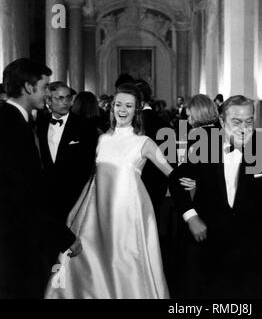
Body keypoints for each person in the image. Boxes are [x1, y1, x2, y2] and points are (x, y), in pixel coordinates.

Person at [169, 95, 262, 298]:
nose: (243, 128)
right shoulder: (205, 145)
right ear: (221, 120)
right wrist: (191, 216)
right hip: (213, 240)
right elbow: (176, 179)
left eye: (249, 121)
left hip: (258, 242)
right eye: (236, 121)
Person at [45, 83, 173, 299]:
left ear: (137, 110)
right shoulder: (102, 139)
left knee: (127, 264)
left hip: (128, 216)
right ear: (112, 107)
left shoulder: (144, 142)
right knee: (92, 265)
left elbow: (170, 172)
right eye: (118, 105)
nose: (122, 110)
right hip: (97, 215)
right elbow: (93, 179)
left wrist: (190, 182)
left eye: (129, 106)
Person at [0, 58, 80, 299]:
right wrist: (65, 236)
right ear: (28, 87)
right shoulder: (13, 127)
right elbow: (28, 192)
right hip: (17, 239)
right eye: (45, 87)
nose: (48, 93)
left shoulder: (12, 120)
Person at [37, 82, 99, 268]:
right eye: (60, 98)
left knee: (74, 259)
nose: (65, 102)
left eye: (68, 98)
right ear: (49, 101)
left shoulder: (85, 127)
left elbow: (88, 167)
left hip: (73, 200)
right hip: (45, 202)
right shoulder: (38, 126)